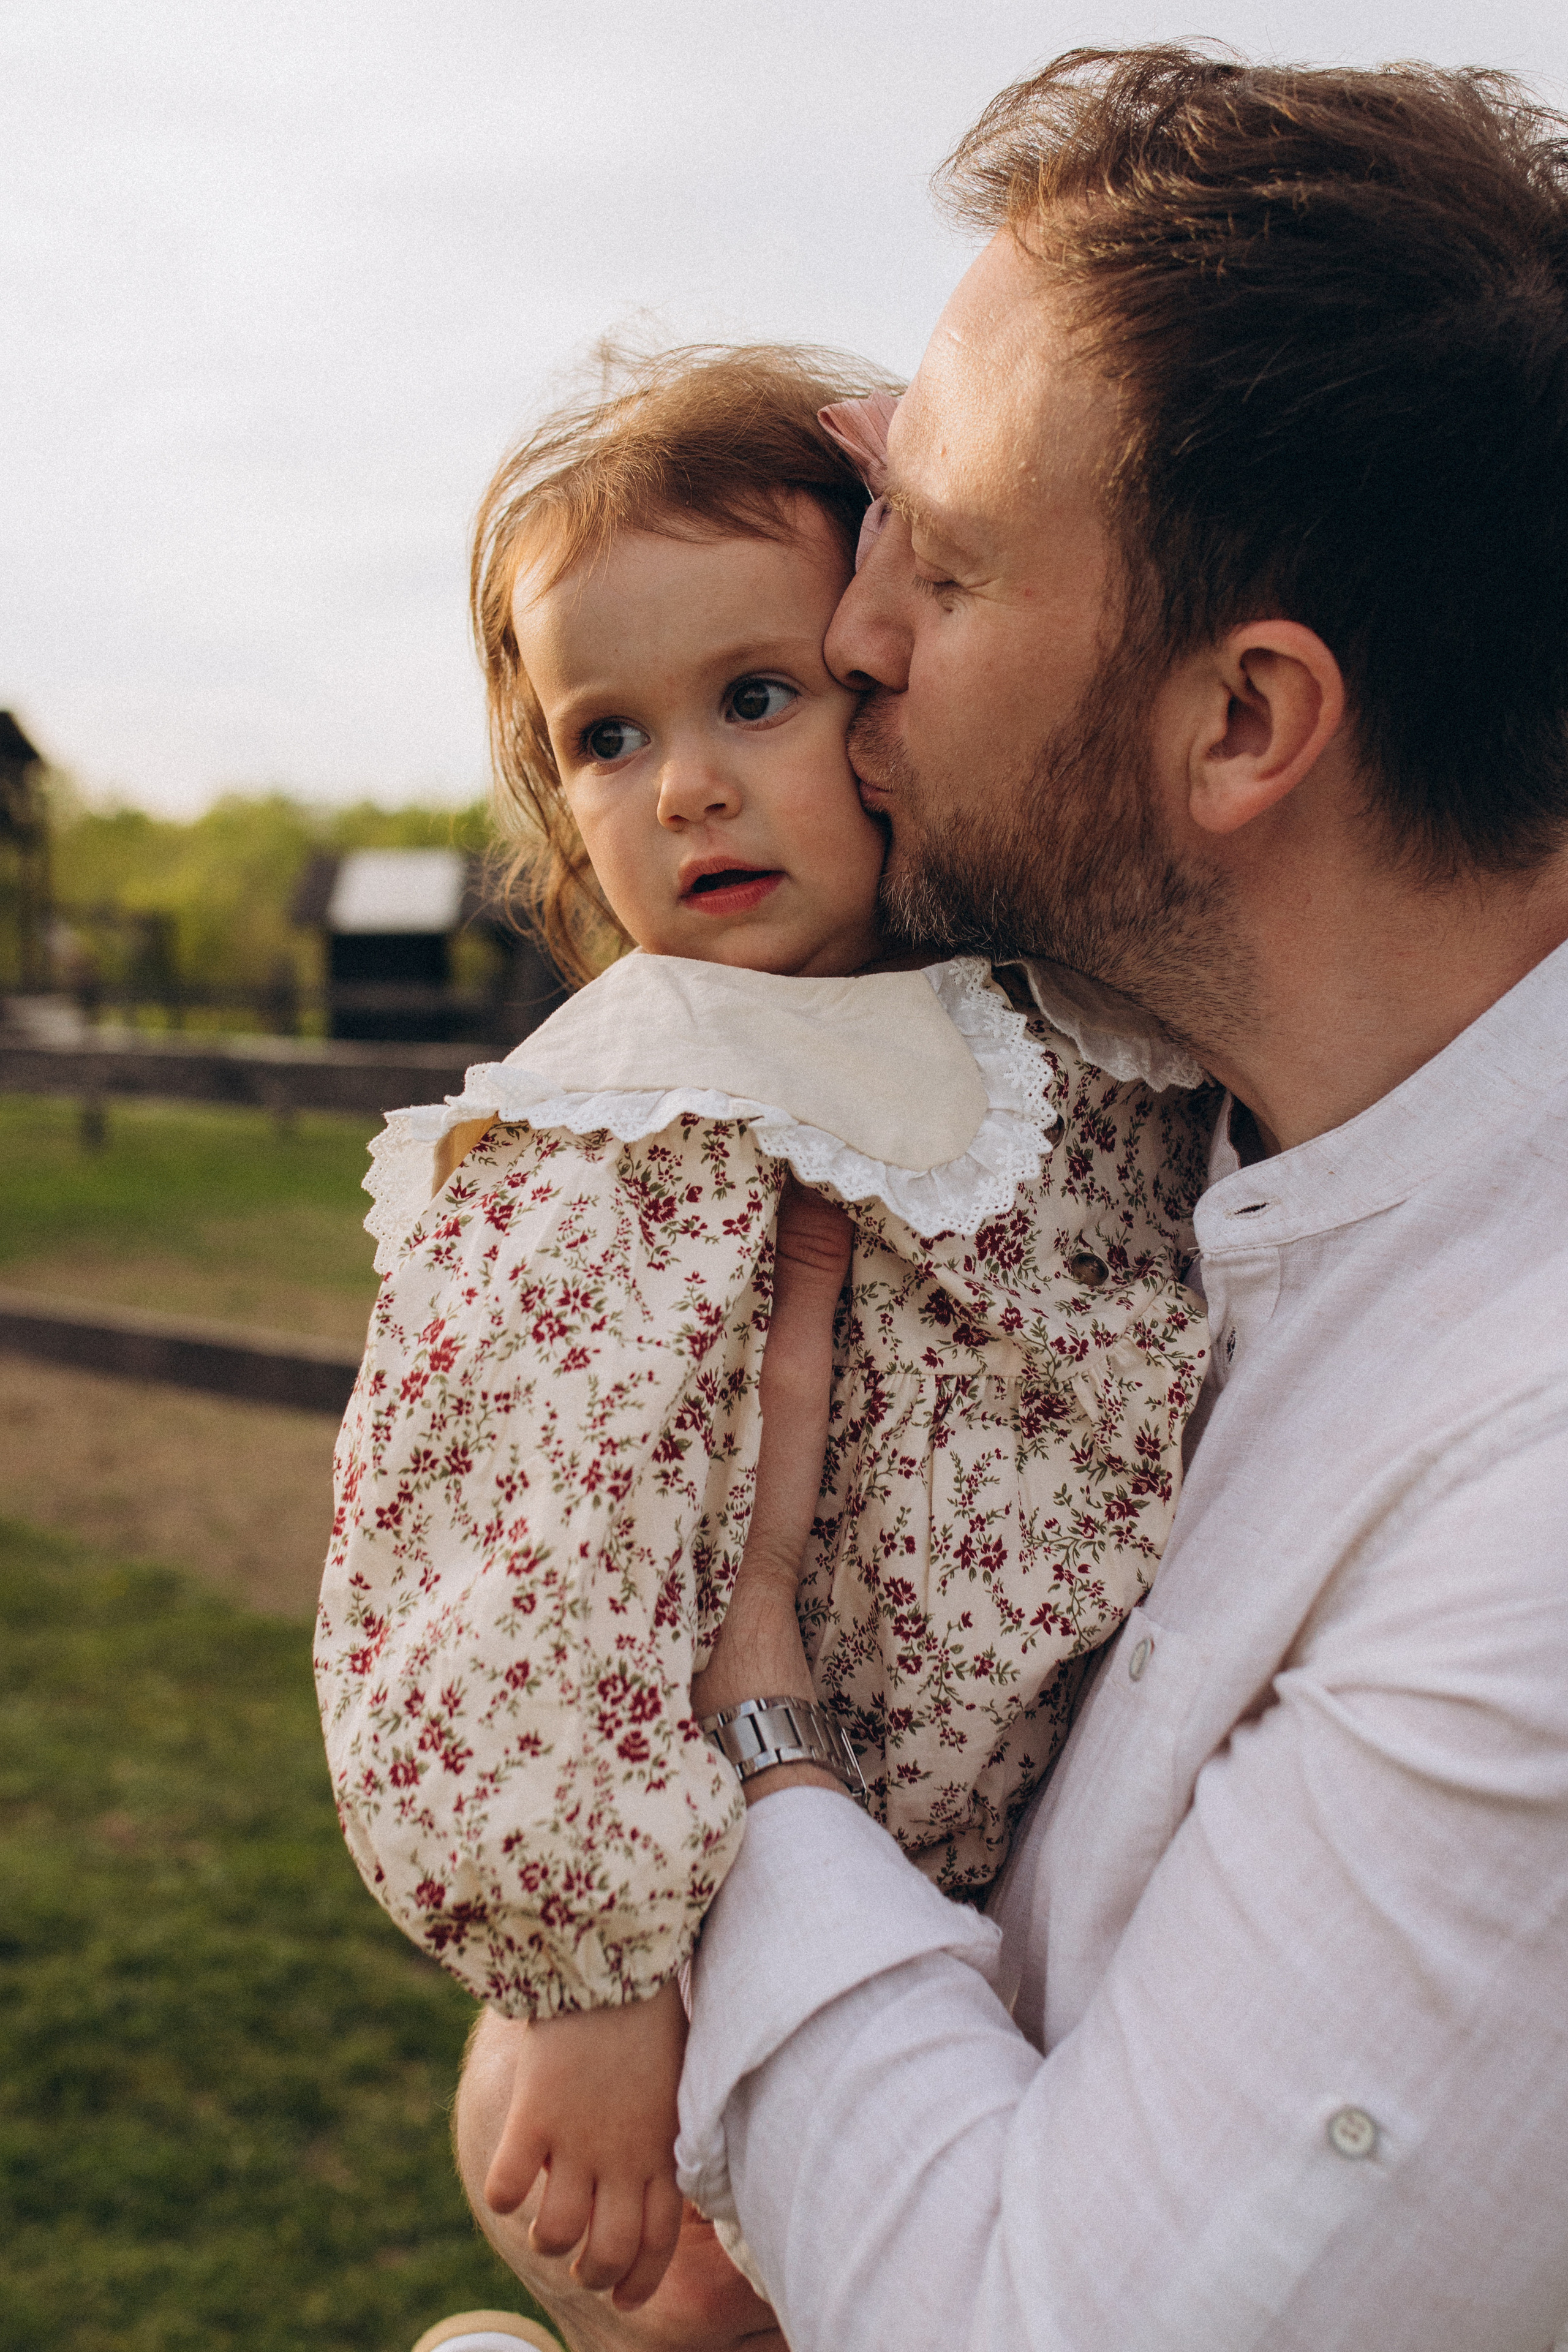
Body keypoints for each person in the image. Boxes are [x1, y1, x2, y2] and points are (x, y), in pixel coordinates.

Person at [453, 44, 1568, 2352]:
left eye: (936, 565)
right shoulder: (1173, 1141)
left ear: (1244, 725)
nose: (849, 640)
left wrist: (756, 1721)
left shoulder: (1527, 1499)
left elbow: (1033, 2321)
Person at [314, 348, 1210, 2315]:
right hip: (725, 1892)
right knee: (714, 2301)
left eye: (755, 696)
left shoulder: (1046, 1021)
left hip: (1032, 1894)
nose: (690, 782)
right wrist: (589, 1974)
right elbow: (525, 1552)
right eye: (607, 737)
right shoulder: (632, 1113)